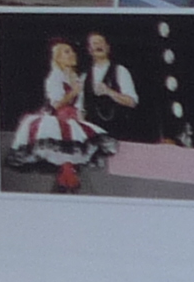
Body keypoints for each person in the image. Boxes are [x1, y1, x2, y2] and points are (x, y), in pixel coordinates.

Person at [6, 38, 115, 190]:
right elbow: (56, 104)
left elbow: (79, 105)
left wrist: (81, 119)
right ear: (58, 58)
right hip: (59, 117)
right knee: (63, 145)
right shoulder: (55, 76)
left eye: (72, 51)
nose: (72, 54)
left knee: (78, 145)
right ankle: (65, 179)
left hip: (73, 118)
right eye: (67, 52)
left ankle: (67, 178)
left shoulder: (76, 78)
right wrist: (73, 92)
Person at [81, 31, 142, 142]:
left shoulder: (120, 71)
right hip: (94, 137)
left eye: (101, 42)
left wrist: (109, 92)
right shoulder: (84, 76)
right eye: (95, 43)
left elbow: (132, 102)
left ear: (108, 48)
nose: (99, 46)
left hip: (118, 133)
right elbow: (81, 108)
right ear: (89, 50)